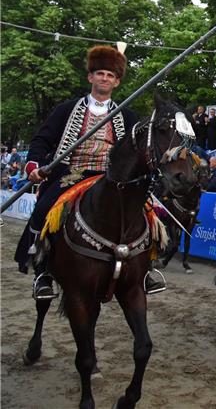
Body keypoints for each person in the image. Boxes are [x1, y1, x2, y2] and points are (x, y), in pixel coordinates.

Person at [13, 45, 141, 299]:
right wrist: (33, 166)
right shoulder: (66, 109)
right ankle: (42, 272)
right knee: (43, 211)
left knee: (147, 214)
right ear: (90, 77)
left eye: (110, 75)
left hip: (110, 178)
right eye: (100, 73)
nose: (104, 78)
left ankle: (144, 271)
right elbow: (41, 141)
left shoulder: (127, 115)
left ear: (117, 82)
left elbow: (137, 150)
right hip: (71, 173)